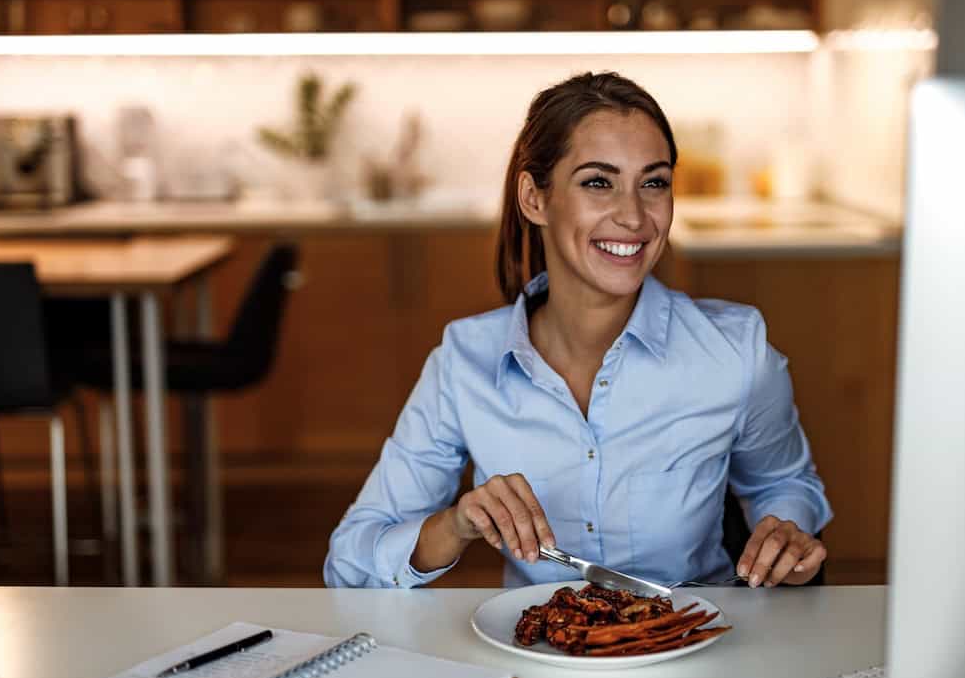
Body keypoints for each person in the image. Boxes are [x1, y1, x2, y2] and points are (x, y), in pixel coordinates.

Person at [325, 72, 831, 591]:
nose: (634, 216)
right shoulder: (465, 361)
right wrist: (454, 525)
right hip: (537, 653)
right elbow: (350, 564)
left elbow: (785, 482)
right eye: (598, 182)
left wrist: (787, 530)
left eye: (653, 182)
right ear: (534, 198)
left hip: (698, 649)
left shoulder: (735, 351)